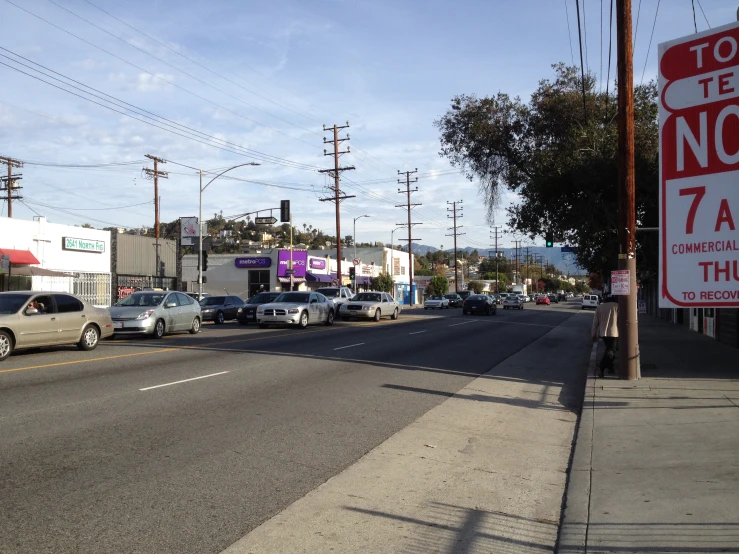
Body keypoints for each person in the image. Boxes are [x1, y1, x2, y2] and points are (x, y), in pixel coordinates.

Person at [591, 295, 619, 377]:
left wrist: (593, 334)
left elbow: (595, 323)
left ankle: (610, 368)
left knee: (608, 349)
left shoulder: (599, 307)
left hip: (603, 333)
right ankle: (601, 366)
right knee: (612, 350)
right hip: (614, 332)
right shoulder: (617, 306)